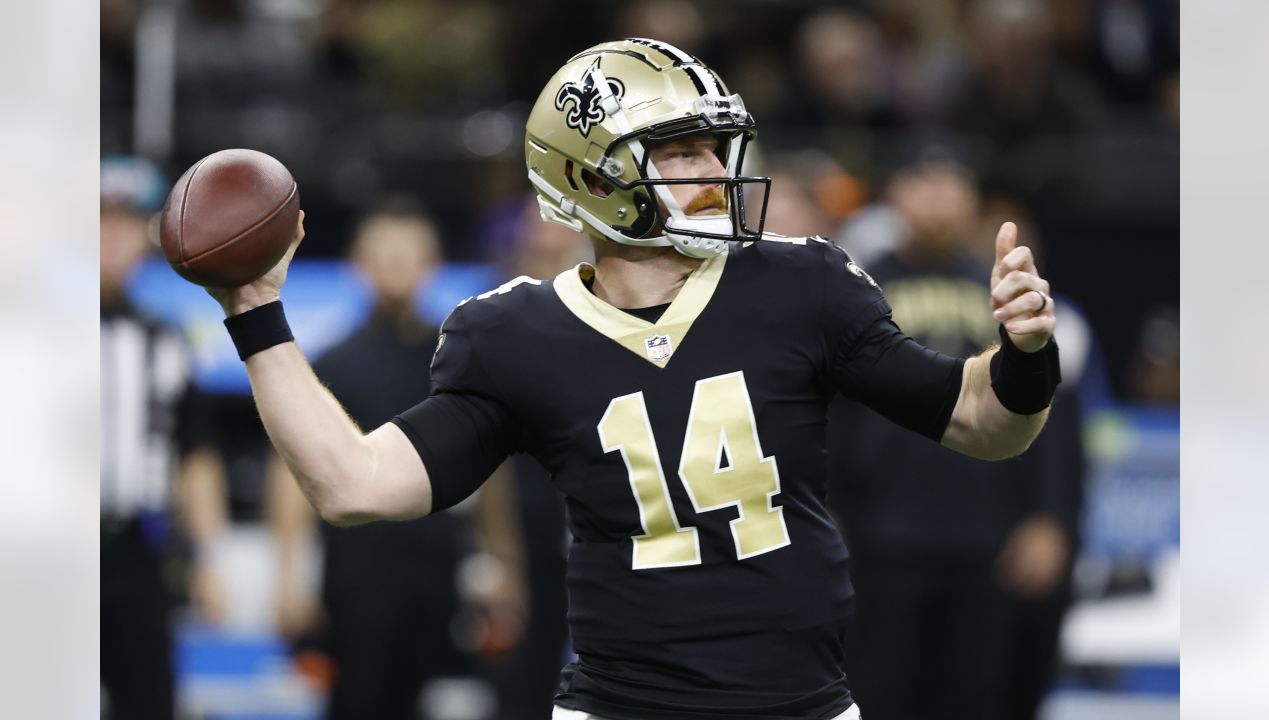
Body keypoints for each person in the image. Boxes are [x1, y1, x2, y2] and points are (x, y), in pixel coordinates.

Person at [198, 40, 1062, 720]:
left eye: (715, 149)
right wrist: (255, 313)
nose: (716, 173)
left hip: (805, 703)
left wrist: (1023, 354)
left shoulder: (802, 284)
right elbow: (354, 484)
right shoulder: (515, 333)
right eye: (681, 153)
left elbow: (984, 420)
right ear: (591, 177)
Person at [825, 152, 1085, 720]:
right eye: (923, 180)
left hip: (988, 540)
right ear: (894, 196)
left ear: (973, 199)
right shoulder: (856, 289)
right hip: (879, 540)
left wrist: (1051, 519)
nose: (939, 196)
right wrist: (825, 508)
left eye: (952, 181)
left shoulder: (1006, 289)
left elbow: (1056, 412)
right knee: (876, 696)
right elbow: (826, 412)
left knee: (979, 698)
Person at [265, 201, 526, 719]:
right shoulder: (331, 363)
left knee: (431, 702)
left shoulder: (459, 359)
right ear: (357, 264)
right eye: (383, 255)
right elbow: (291, 471)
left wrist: (507, 566)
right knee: (358, 701)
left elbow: (491, 469)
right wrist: (289, 579)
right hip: (357, 572)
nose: (397, 267)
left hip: (438, 567)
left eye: (410, 256)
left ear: (433, 264)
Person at [100, 156, 230, 719]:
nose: (110, 240)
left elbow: (194, 456)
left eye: (124, 225)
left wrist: (208, 559)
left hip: (137, 553)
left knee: (150, 701)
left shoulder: (165, 341)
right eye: (98, 224)